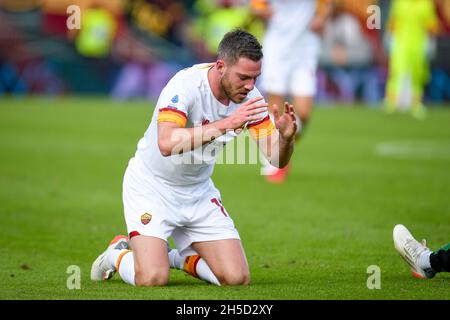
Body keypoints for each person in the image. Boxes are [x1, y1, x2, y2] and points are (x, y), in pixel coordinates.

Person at [90, 29, 297, 286]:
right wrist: (227, 124)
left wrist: (287, 139)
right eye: (243, 77)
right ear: (221, 66)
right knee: (153, 277)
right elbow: (166, 143)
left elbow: (276, 159)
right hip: (151, 187)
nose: (250, 86)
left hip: (197, 192)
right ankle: (117, 254)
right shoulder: (185, 85)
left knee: (236, 279)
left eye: (255, 78)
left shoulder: (251, 99)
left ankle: (175, 258)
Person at [250, 0, 333, 183]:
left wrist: (321, 18)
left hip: (305, 46)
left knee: (303, 113)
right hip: (277, 45)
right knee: (275, 106)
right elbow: (256, 6)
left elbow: (327, 4)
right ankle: (275, 161)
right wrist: (261, 11)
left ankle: (285, 144)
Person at [384, 0, 439, 120]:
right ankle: (392, 102)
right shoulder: (399, 3)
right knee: (396, 71)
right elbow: (393, 22)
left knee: (417, 74)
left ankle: (416, 103)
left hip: (418, 44)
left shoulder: (426, 4)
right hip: (400, 43)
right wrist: (390, 38)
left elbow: (432, 25)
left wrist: (430, 41)